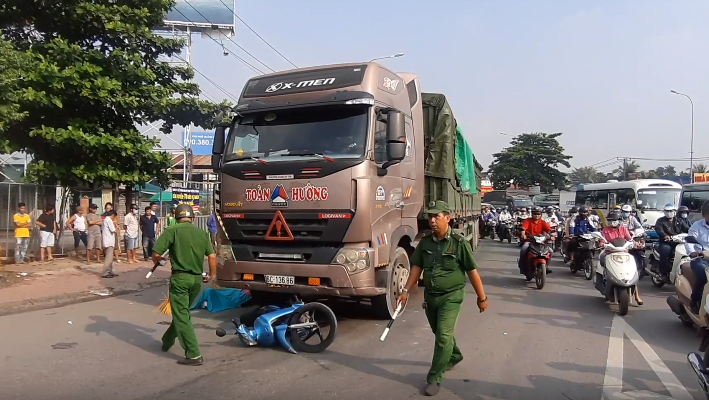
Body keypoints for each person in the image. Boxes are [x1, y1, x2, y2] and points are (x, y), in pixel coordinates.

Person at [396, 200, 487, 396]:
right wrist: (405, 290)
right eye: (430, 216)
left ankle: (434, 377)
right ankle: (454, 355)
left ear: (448, 217)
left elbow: (472, 271)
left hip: (452, 297)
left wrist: (482, 298)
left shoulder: (459, 243)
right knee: (439, 333)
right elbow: (417, 267)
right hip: (431, 297)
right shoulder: (426, 242)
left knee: (443, 336)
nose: (432, 220)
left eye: (436, 216)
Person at [153, 204, 216, 366]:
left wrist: (160, 261)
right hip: (196, 280)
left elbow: (156, 255)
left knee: (181, 315)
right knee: (183, 313)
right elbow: (212, 256)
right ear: (193, 218)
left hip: (180, 279)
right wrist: (211, 274)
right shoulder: (202, 234)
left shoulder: (171, 231)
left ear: (176, 218)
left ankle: (193, 354)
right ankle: (167, 340)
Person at [601, 211, 644, 306]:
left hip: (624, 254)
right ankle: (605, 279)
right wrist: (601, 244)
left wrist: (636, 243)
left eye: (615, 220)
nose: (613, 222)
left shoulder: (623, 229)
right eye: (611, 220)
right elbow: (601, 240)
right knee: (602, 260)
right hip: (610, 253)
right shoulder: (605, 230)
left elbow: (630, 239)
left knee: (632, 271)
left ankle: (637, 296)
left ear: (619, 221)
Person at [687, 201, 709, 315]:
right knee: (702, 275)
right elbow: (690, 240)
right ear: (704, 214)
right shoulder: (697, 226)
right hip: (700, 259)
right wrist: (693, 252)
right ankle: (695, 302)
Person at [518, 207, 553, 275]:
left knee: (550, 251)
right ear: (532, 214)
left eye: (538, 214)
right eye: (535, 214)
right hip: (530, 241)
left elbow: (549, 230)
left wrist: (552, 235)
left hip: (541, 242)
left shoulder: (542, 222)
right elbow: (523, 229)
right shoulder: (527, 221)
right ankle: (522, 266)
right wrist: (523, 235)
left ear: (541, 214)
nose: (537, 215)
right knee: (524, 249)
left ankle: (546, 267)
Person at [655, 203, 684, 281]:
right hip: (665, 242)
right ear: (664, 212)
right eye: (667, 211)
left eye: (671, 211)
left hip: (678, 242)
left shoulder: (679, 220)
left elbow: (687, 229)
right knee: (666, 251)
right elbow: (659, 230)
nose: (669, 212)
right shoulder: (660, 221)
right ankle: (663, 273)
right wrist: (665, 236)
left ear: (675, 211)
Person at [101, 210, 117, 278]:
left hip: (107, 241)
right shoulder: (109, 220)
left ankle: (110, 271)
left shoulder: (105, 220)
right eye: (114, 217)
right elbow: (113, 230)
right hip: (109, 242)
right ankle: (105, 273)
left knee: (110, 258)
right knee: (108, 258)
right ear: (113, 215)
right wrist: (116, 227)